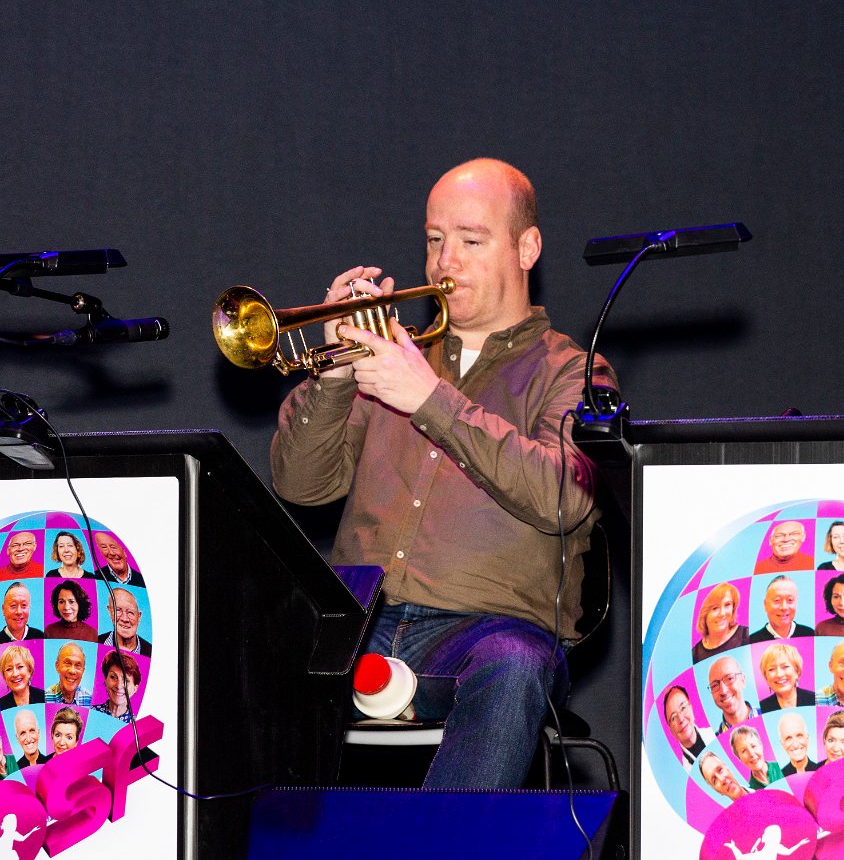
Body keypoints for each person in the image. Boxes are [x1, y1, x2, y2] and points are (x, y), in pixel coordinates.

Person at [270, 158, 615, 790]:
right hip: (359, 619)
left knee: (515, 664)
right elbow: (300, 484)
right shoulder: (391, 354)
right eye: (434, 240)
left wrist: (429, 398)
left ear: (527, 247)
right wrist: (334, 374)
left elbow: (564, 496)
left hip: (483, 633)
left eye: (471, 240)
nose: (443, 263)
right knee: (241, 656)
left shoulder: (573, 370)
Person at [693, 582, 749, 663]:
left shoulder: (747, 636)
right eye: (715, 608)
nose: (722, 613)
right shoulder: (695, 654)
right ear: (705, 614)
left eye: (727, 605)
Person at [748, 576, 814, 642]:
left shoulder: (810, 635)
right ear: (765, 604)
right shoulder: (751, 642)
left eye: (790, 600)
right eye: (777, 600)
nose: (784, 607)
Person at [662, 684, 714, 769]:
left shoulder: (715, 734)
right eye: (673, 717)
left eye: (683, 708)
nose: (681, 719)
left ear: (691, 707)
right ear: (670, 730)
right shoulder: (684, 772)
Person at [708, 655, 760, 734]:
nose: (723, 691)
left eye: (729, 679)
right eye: (715, 685)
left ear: (743, 680)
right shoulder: (716, 741)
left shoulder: (769, 716)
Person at [757, 643, 814, 712]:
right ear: (766, 676)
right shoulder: (761, 709)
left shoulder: (814, 700)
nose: (779, 674)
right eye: (772, 669)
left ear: (797, 671)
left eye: (785, 667)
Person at [98, 588, 152, 657]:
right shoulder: (96, 642)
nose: (125, 619)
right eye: (118, 610)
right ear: (110, 612)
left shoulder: (150, 651)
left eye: (130, 612)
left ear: (139, 617)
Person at [92, 650, 141, 722]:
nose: (118, 686)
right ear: (106, 680)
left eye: (126, 681)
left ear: (135, 688)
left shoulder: (137, 725)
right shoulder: (90, 713)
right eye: (113, 677)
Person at [731, 725, 784, 789]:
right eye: (744, 751)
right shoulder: (752, 792)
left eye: (753, 746)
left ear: (761, 746)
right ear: (739, 758)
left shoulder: (783, 768)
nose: (751, 754)